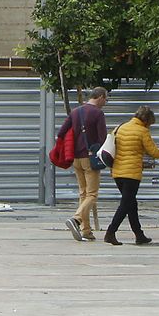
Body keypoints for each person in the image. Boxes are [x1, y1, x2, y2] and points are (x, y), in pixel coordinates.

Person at [103, 106, 159, 246]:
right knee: (126, 204)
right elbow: (154, 153)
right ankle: (110, 232)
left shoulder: (120, 127)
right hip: (131, 174)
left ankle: (139, 235)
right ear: (147, 120)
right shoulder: (142, 131)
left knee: (131, 204)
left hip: (117, 172)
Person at [57, 86, 108, 242]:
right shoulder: (98, 113)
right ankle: (76, 219)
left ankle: (86, 230)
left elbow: (61, 133)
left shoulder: (75, 111)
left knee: (83, 193)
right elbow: (102, 137)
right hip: (90, 158)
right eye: (106, 99)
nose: (105, 102)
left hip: (75, 158)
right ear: (100, 97)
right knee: (92, 194)